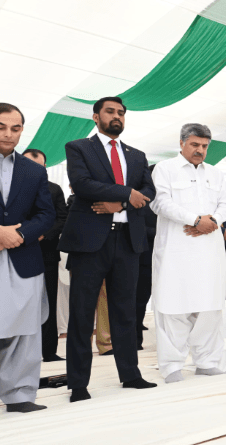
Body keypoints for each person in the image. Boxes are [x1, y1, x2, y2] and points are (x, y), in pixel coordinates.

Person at [58, 96, 157, 402]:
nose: (117, 116)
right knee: (82, 313)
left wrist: (120, 202)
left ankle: (130, 375)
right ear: (96, 117)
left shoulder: (137, 155)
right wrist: (128, 193)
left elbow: (149, 191)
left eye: (121, 113)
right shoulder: (78, 148)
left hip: (128, 241)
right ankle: (78, 384)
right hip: (89, 241)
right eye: (111, 112)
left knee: (125, 312)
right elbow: (82, 183)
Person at [0, 103, 55, 414]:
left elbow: (46, 215)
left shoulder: (34, 169)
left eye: (16, 128)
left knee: (25, 330)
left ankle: (20, 396)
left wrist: (13, 237)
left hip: (23, 261)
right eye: (1, 126)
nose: (9, 133)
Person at [149, 123, 226, 383]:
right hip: (177, 249)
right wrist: (195, 220)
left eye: (205, 146)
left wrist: (213, 221)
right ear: (182, 143)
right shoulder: (164, 169)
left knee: (210, 307)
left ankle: (207, 361)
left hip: (210, 249)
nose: (200, 150)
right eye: (195, 145)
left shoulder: (216, 173)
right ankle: (172, 365)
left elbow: (225, 203)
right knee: (173, 306)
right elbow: (159, 202)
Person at [22, 148, 68, 362]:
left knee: (48, 302)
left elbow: (61, 218)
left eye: (39, 167)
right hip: (16, 254)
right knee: (14, 304)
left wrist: (42, 235)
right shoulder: (8, 189)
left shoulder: (54, 189)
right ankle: (3, 354)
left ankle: (48, 351)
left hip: (47, 254)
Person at [137, 164, 157, 349]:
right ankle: (135, 340)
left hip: (164, 258)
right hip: (144, 257)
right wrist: (161, 231)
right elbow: (139, 228)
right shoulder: (142, 198)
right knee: (139, 297)